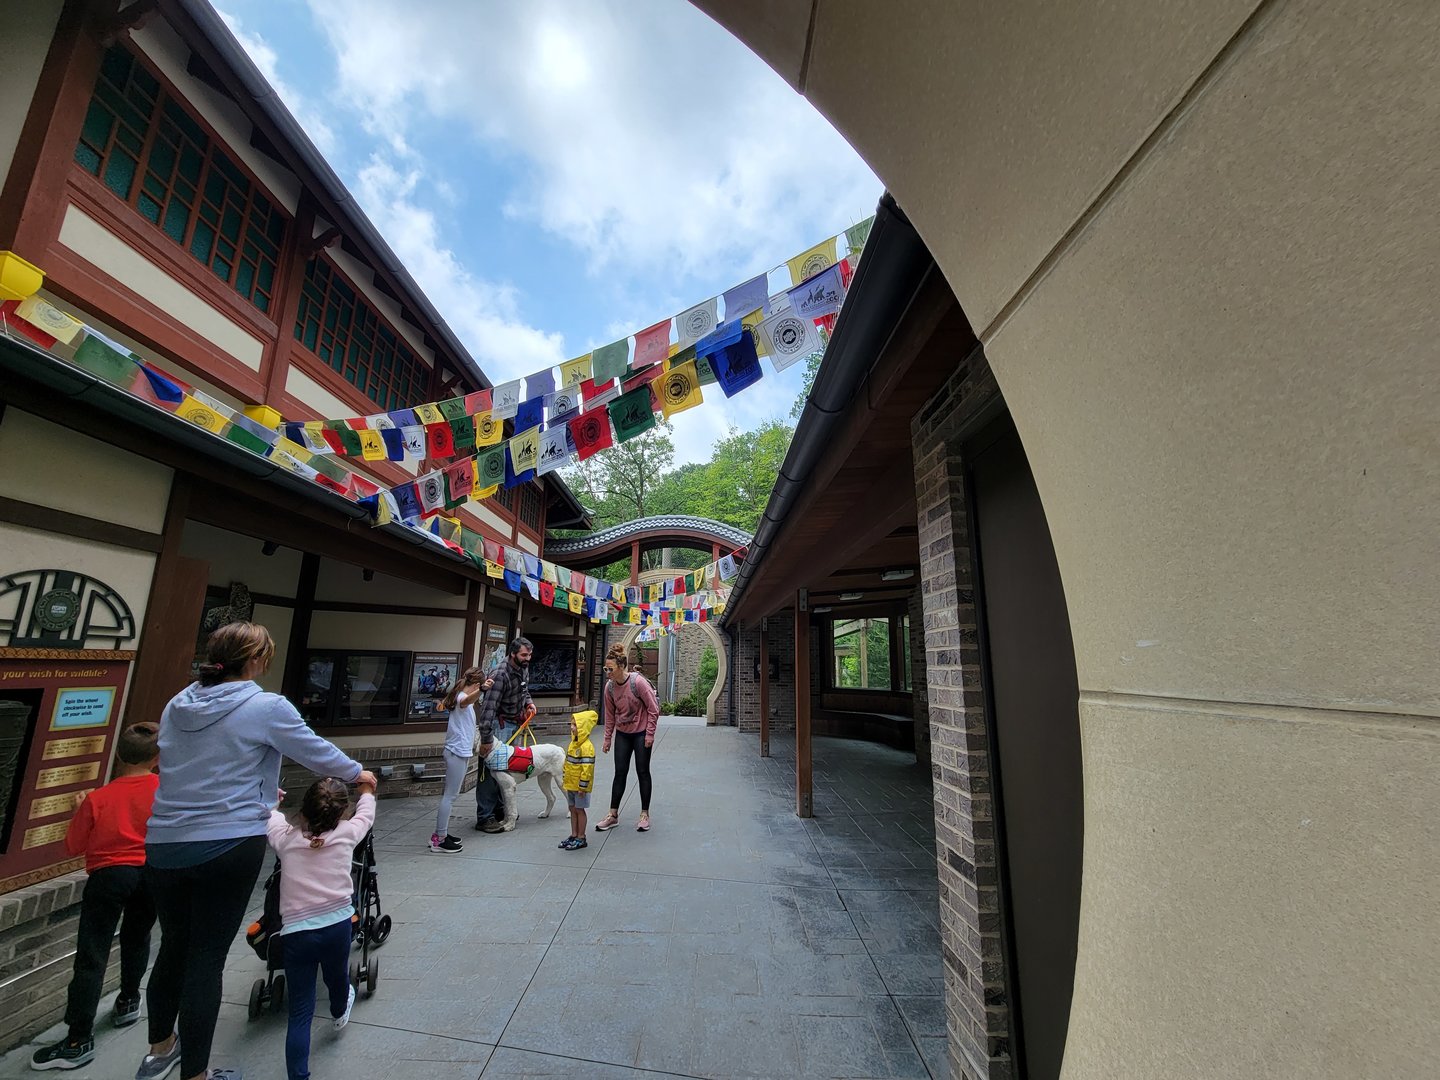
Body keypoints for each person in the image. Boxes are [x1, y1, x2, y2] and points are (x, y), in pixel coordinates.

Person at [138, 622, 373, 1080]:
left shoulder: (177, 704)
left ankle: (160, 1049)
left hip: (164, 840)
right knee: (206, 957)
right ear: (256, 660)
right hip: (227, 841)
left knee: (172, 949)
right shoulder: (264, 706)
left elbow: (196, 763)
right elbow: (315, 752)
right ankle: (197, 1075)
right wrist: (359, 775)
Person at [31, 723, 160, 1071]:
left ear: (118, 756)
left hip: (108, 875)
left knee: (92, 951)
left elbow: (73, 846)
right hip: (149, 872)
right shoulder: (165, 791)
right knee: (138, 936)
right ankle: (129, 1000)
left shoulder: (98, 798)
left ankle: (78, 1037)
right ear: (157, 758)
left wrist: (79, 812)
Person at [267, 775, 376, 1080]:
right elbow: (366, 814)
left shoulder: (285, 840)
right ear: (342, 811)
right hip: (337, 925)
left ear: (304, 809)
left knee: (300, 1010)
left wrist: (274, 802)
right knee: (336, 975)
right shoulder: (347, 833)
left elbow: (270, 817)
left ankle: (298, 1076)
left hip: (296, 932)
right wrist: (366, 789)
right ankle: (340, 1011)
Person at [594, 645, 660, 833]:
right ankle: (613, 814)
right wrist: (607, 739)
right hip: (623, 733)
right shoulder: (609, 688)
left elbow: (654, 709)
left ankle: (644, 814)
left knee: (642, 771)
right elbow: (610, 715)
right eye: (606, 669)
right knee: (620, 772)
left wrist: (649, 734)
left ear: (621, 666)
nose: (607, 673)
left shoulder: (637, 683)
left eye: (610, 669)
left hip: (640, 733)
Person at [473, 637, 534, 833]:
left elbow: (524, 690)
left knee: (505, 770)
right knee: (489, 774)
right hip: (497, 726)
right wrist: (486, 739)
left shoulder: (522, 667)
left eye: (530, 655)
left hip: (513, 723)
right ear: (513, 653)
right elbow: (488, 708)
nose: (528, 658)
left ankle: (501, 809)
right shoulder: (500, 673)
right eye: (524, 655)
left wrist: (528, 703)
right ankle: (485, 816)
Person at [430, 668, 488, 853]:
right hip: (456, 751)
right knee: (450, 795)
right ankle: (439, 838)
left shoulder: (460, 696)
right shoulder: (462, 697)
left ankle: (442, 833)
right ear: (477, 685)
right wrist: (483, 690)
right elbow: (466, 701)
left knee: (451, 795)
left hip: (458, 751)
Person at [559, 710, 597, 850]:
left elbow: (587, 769)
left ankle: (581, 837)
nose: (572, 727)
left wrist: (583, 787)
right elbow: (567, 763)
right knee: (572, 808)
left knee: (579, 810)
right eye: (571, 724)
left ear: (583, 727)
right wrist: (565, 779)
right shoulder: (573, 744)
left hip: (580, 788)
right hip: (571, 784)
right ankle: (574, 835)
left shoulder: (587, 747)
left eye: (575, 725)